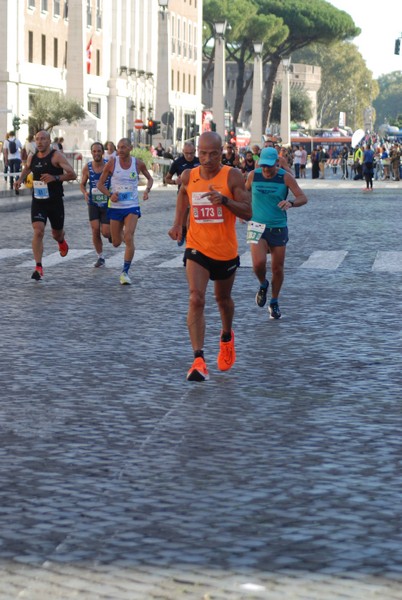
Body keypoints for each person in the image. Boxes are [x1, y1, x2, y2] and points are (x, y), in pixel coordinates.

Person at [168, 131, 252, 382]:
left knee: (223, 299)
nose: (206, 159)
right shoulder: (188, 175)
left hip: (225, 250)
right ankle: (198, 359)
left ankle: (227, 336)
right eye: (202, 153)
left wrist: (225, 200)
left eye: (213, 154)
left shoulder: (232, 175)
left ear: (222, 152)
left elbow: (248, 212)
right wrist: (178, 224)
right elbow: (183, 194)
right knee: (196, 298)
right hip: (197, 247)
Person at [245, 146, 308, 320]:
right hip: (256, 226)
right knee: (258, 264)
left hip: (278, 226)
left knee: (277, 269)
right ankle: (263, 284)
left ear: (276, 163)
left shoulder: (285, 177)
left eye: (269, 166)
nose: (266, 169)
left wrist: (291, 203)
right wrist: (242, 210)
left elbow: (303, 197)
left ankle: (274, 301)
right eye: (263, 165)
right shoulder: (253, 175)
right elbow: (243, 193)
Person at [14, 129, 77, 281]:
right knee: (38, 231)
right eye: (37, 139)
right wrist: (20, 180)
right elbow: (27, 169)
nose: (40, 142)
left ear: (49, 141)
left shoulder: (56, 156)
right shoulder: (32, 157)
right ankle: (38, 266)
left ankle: (61, 241)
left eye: (43, 139)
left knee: (57, 234)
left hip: (55, 201)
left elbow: (73, 174)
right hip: (38, 200)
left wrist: (54, 177)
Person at [97, 137, 153, 285]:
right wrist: (110, 195)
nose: (120, 150)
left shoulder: (138, 163)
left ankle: (125, 272)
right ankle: (123, 237)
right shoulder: (112, 163)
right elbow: (100, 184)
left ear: (130, 148)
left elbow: (150, 179)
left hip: (132, 206)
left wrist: (147, 190)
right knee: (116, 242)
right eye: (118, 147)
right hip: (116, 207)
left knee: (129, 236)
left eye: (123, 147)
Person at [80, 142, 112, 267]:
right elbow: (82, 184)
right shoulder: (87, 167)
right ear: (91, 153)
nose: (97, 153)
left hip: (107, 204)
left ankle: (111, 235)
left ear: (102, 152)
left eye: (99, 151)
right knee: (94, 229)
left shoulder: (109, 166)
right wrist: (84, 193)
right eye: (94, 151)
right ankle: (100, 257)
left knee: (105, 232)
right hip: (93, 202)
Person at [164, 142, 200, 246]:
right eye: (187, 153)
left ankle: (191, 241)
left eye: (192, 153)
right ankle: (183, 233)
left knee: (192, 220)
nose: (189, 156)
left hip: (197, 195)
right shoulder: (177, 162)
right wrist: (175, 182)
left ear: (195, 152)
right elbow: (167, 179)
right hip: (183, 195)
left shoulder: (199, 162)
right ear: (183, 152)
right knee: (184, 219)